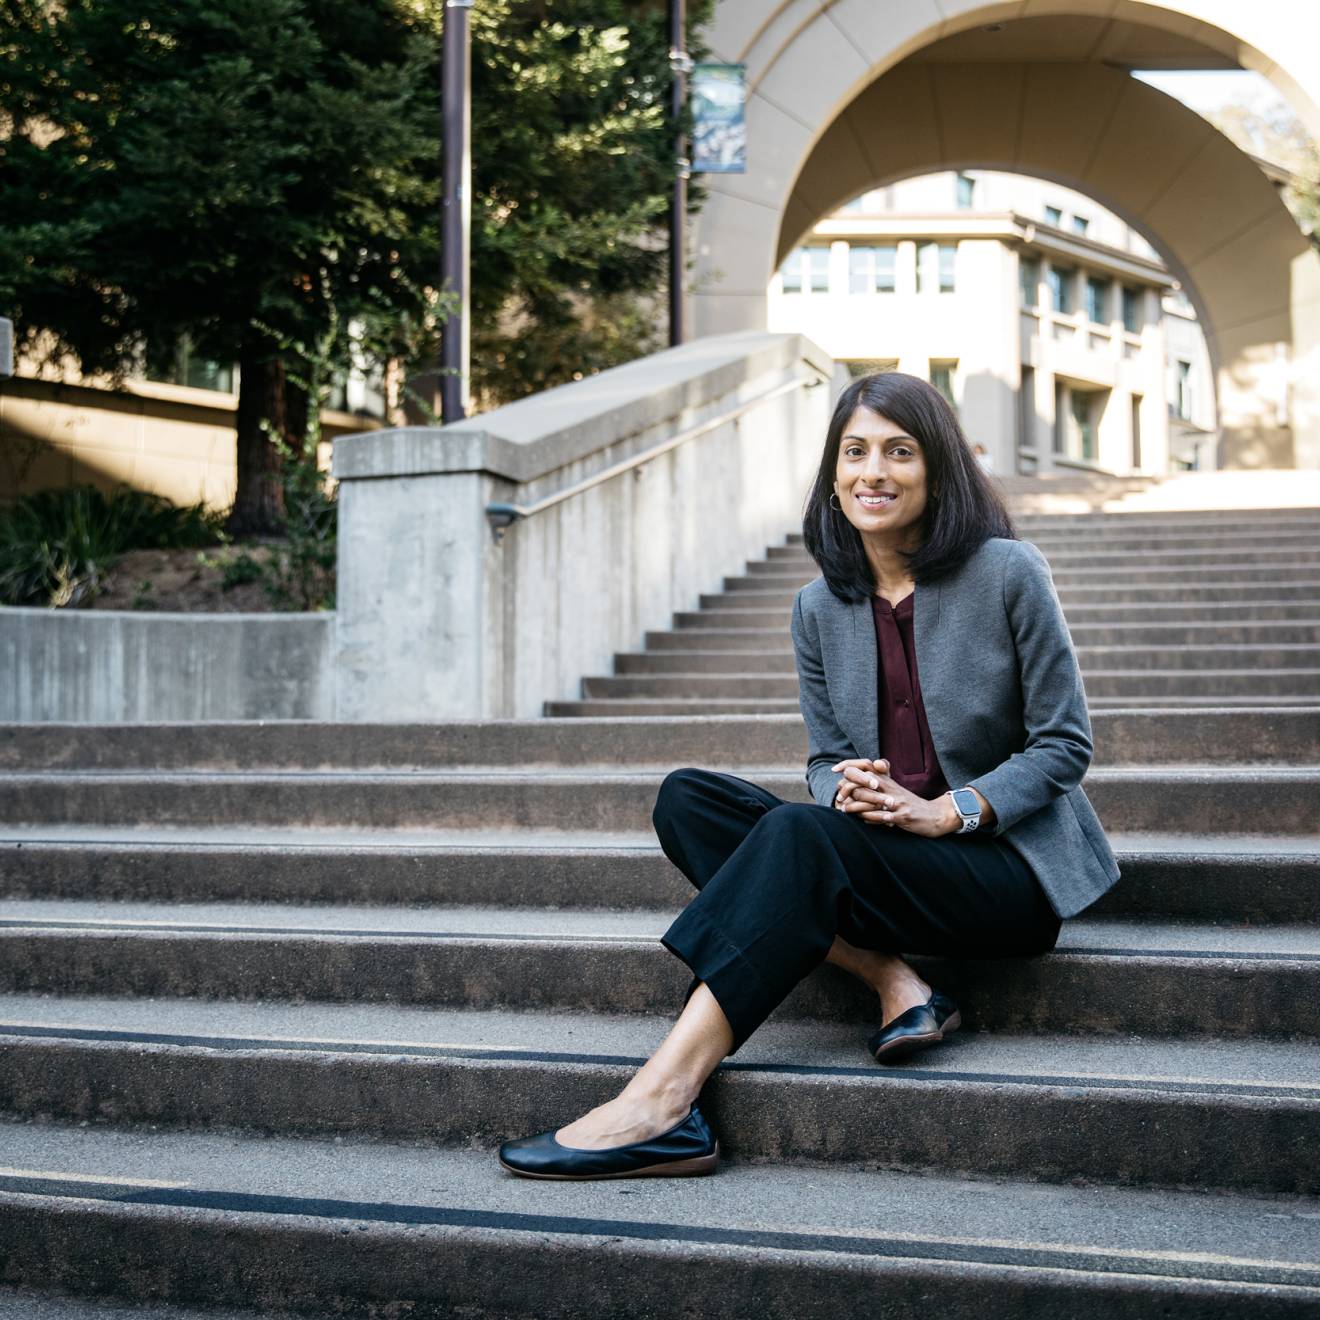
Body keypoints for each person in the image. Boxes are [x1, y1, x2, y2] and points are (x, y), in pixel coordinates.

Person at [498, 371, 1121, 1181]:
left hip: (1004, 872)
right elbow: (825, 758)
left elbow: (1064, 744)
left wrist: (949, 811)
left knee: (792, 835)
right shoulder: (817, 607)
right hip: (888, 857)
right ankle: (893, 975)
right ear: (833, 472)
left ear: (937, 469)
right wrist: (846, 789)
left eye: (900, 452)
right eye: (855, 451)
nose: (875, 471)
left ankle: (665, 1098)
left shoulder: (1008, 571)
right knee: (690, 799)